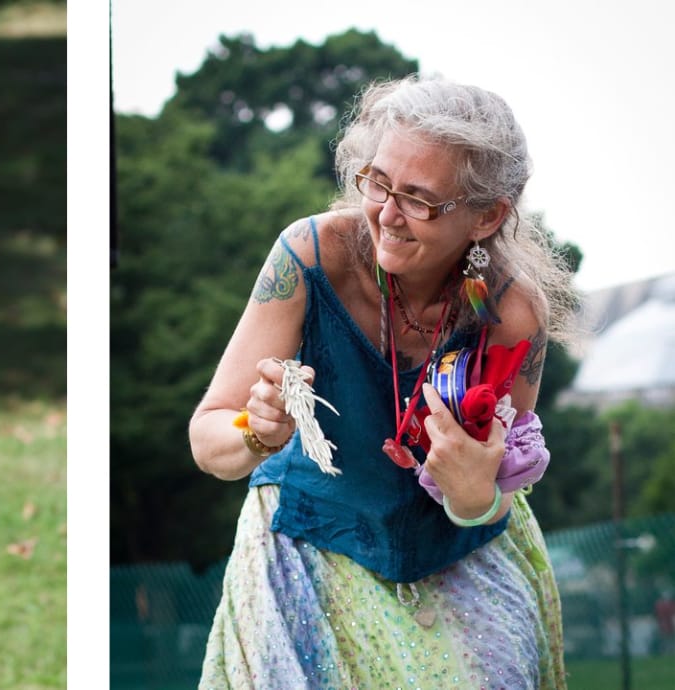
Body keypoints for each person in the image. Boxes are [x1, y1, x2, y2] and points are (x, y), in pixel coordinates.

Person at [189, 75, 576, 688]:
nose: (386, 214)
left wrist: (474, 494)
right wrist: (256, 432)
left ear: (487, 216)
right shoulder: (309, 254)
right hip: (305, 539)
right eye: (378, 182)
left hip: (460, 550)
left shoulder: (512, 312)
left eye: (420, 200)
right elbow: (209, 441)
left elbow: (503, 485)